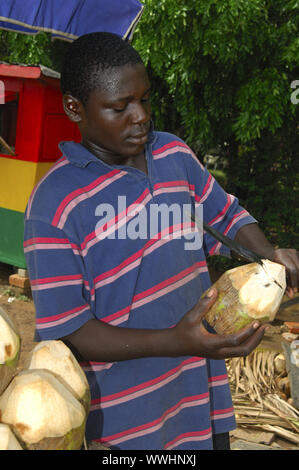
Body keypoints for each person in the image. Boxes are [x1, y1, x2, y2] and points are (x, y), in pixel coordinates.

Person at [23, 32, 299, 451]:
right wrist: (177, 340)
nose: (140, 117)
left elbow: (225, 215)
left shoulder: (173, 156)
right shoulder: (55, 205)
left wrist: (268, 255)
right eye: (120, 107)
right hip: (122, 419)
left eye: (145, 99)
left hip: (199, 392)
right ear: (74, 108)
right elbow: (70, 330)